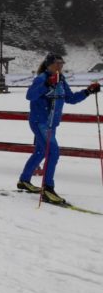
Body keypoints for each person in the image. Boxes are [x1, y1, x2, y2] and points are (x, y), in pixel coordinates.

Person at [17, 54, 100, 204]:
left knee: (41, 151)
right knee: (53, 152)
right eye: (57, 63)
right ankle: (48, 189)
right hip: (40, 122)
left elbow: (71, 98)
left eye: (62, 63)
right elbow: (30, 96)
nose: (60, 66)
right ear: (49, 64)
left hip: (51, 124)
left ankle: (24, 180)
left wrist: (88, 91)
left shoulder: (61, 80)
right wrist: (47, 83)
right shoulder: (41, 78)